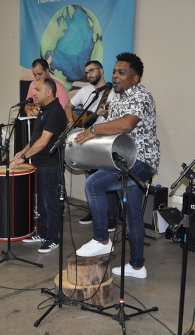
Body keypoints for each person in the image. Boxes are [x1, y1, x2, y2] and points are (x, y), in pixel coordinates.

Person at [74, 52, 160, 279]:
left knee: (93, 184)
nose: (115, 76)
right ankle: (137, 266)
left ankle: (102, 239)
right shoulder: (117, 96)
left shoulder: (141, 96)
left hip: (140, 161)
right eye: (114, 71)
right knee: (132, 217)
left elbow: (126, 125)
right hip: (124, 159)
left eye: (122, 73)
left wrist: (93, 130)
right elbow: (112, 126)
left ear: (135, 78)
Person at [10, 78, 67, 253]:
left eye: (37, 89)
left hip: (50, 165)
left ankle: (53, 238)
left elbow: (43, 142)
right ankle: (41, 232)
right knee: (40, 202)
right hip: (39, 164)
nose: (33, 92)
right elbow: (34, 139)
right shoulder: (44, 110)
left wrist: (24, 157)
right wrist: (22, 152)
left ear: (48, 92)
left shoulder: (56, 112)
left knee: (50, 202)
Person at [64, 60, 119, 230]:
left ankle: (111, 217)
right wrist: (71, 120)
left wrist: (107, 112)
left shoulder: (113, 93)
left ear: (101, 71)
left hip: (105, 139)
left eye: (92, 71)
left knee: (103, 177)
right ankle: (95, 211)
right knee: (89, 176)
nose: (89, 75)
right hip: (87, 138)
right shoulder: (86, 91)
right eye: (86, 72)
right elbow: (68, 106)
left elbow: (120, 116)